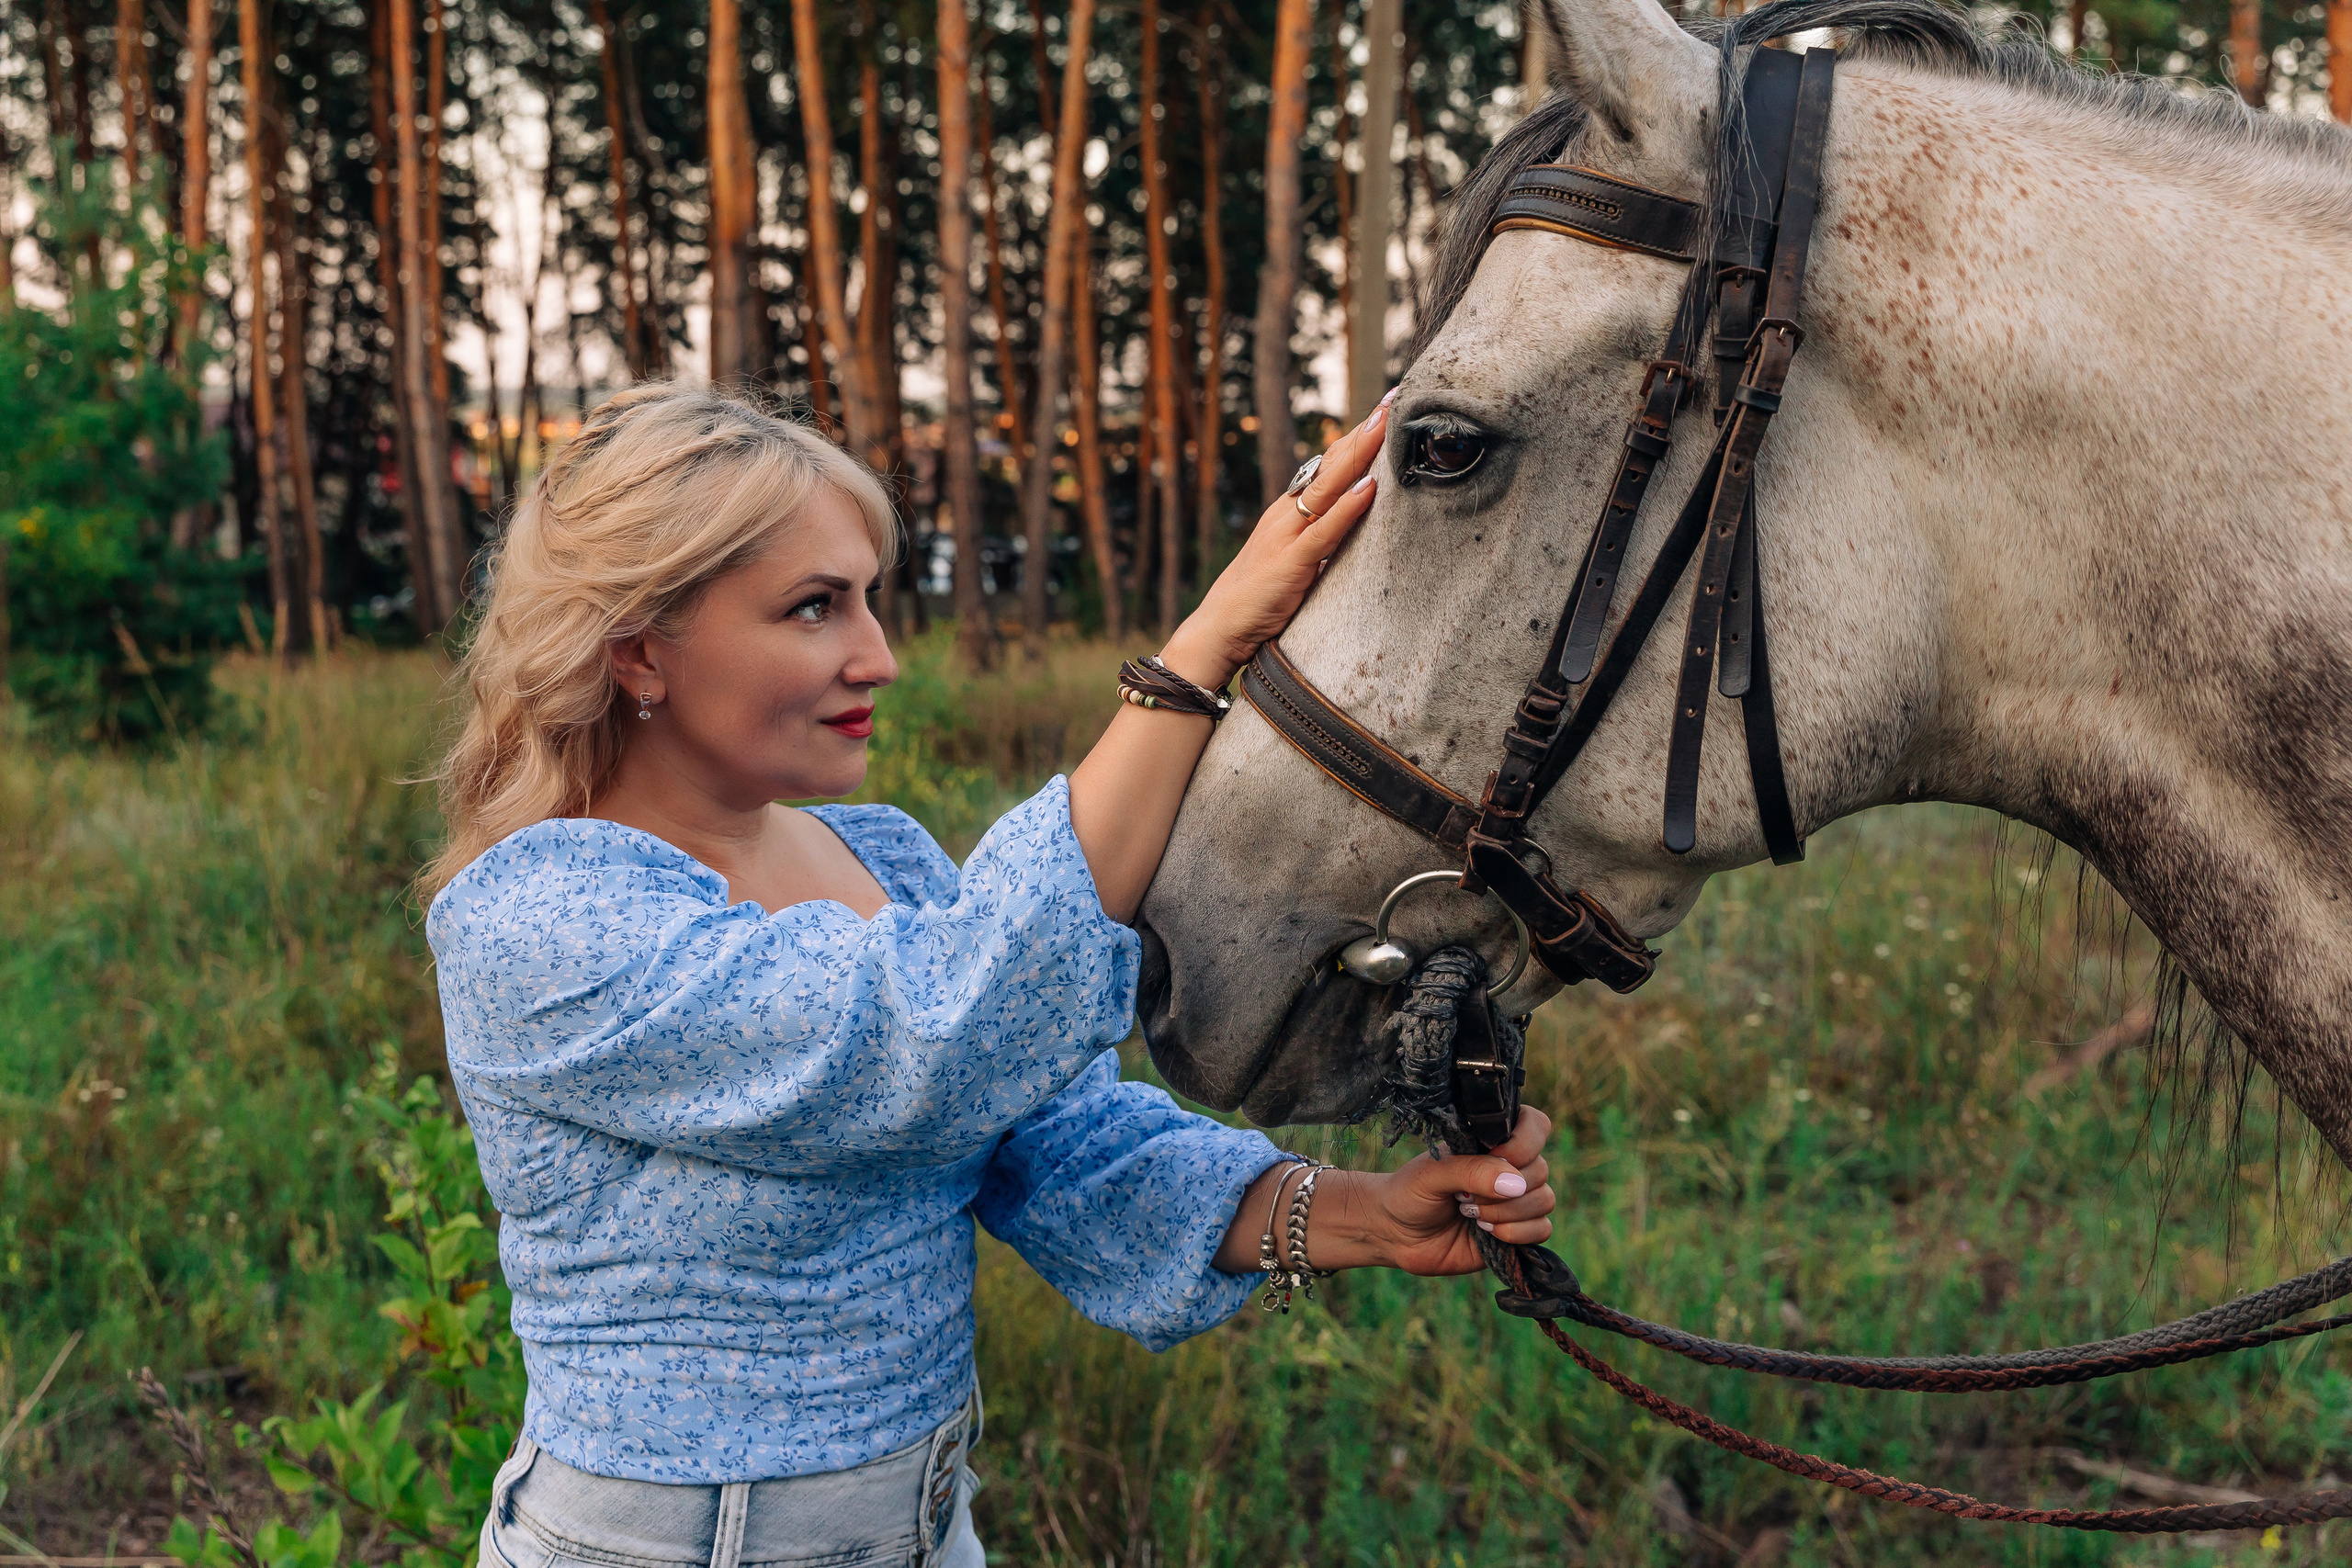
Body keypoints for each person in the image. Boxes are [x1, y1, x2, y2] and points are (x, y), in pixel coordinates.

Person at [421, 383, 1555, 1568]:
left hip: (927, 1530)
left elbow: (1054, 1141)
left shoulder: (881, 858)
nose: (879, 658)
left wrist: (1363, 1214)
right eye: (813, 608)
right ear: (639, 652)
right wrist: (1194, 663)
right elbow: (931, 1041)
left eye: (869, 599)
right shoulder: (539, 921)